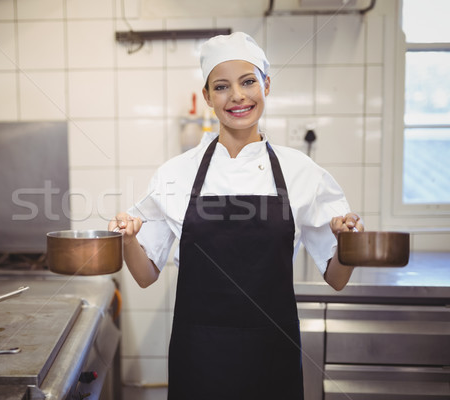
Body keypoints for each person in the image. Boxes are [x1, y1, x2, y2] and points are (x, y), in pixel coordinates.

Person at [109, 32, 363, 399]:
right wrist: (129, 239)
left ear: (267, 85)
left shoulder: (300, 171)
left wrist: (347, 241)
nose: (238, 96)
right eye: (222, 86)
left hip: (272, 358)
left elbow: (337, 278)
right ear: (209, 96)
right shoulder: (176, 174)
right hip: (199, 360)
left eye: (248, 82)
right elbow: (146, 275)